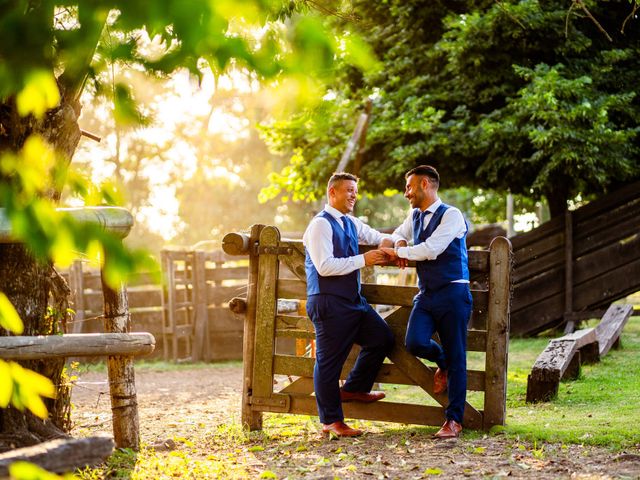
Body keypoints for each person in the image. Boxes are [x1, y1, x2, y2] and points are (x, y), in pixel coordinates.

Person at [382, 165, 472, 439]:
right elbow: (399, 232)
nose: (406, 192)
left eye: (409, 187)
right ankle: (441, 362)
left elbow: (433, 249)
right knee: (414, 342)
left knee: (458, 357)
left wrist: (404, 253)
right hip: (427, 294)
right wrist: (399, 246)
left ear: (424, 184)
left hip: (453, 293)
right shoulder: (415, 216)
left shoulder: (452, 215)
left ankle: (454, 420)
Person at [303, 172, 395, 437]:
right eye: (348, 191)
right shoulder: (320, 225)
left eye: (355, 191)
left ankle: (355, 388)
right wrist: (364, 260)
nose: (354, 195)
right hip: (328, 301)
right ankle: (331, 421)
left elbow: (379, 237)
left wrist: (395, 246)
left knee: (382, 338)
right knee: (329, 363)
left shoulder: (351, 222)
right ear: (333, 193)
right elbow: (325, 266)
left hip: (353, 302)